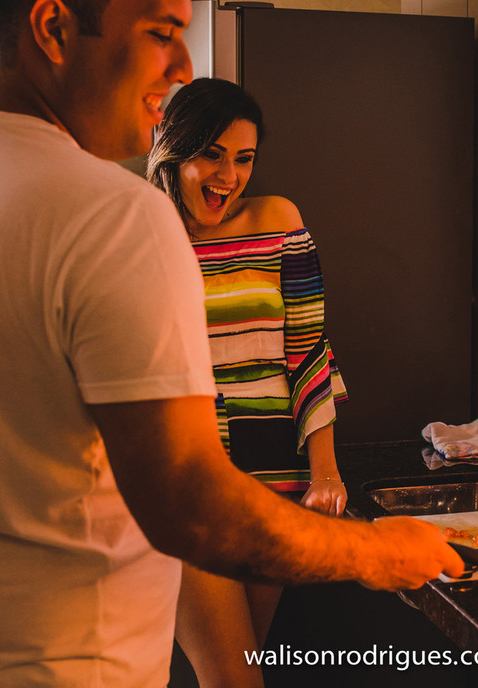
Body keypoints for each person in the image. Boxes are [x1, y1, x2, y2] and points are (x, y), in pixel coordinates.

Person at [0, 0, 463, 686]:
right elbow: (190, 504)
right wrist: (376, 552)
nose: (183, 67)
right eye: (161, 33)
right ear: (53, 28)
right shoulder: (114, 213)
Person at [147, 78, 346, 686]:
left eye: (244, 158)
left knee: (241, 668)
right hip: (190, 489)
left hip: (274, 487)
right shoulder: (142, 233)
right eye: (212, 155)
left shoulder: (279, 220)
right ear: (174, 149)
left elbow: (309, 349)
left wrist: (325, 472)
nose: (228, 176)